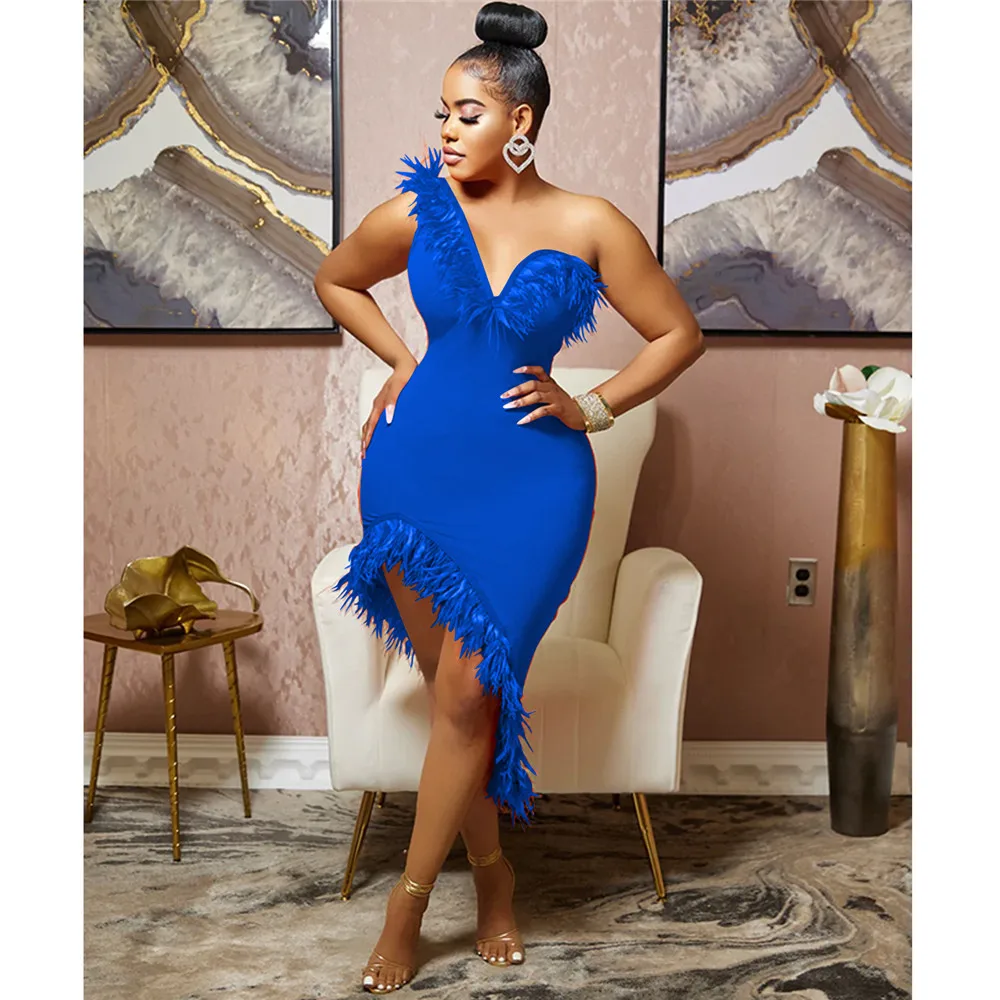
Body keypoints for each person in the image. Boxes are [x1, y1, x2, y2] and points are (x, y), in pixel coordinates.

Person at [313, 2, 704, 992]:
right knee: (462, 700)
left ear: (519, 124)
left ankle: (406, 910)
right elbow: (337, 279)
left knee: (465, 692)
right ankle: (493, 874)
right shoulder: (419, 210)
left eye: (468, 113)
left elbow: (678, 334)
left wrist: (594, 406)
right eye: (441, 113)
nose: (446, 130)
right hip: (412, 473)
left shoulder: (590, 223)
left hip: (534, 487)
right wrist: (401, 359)